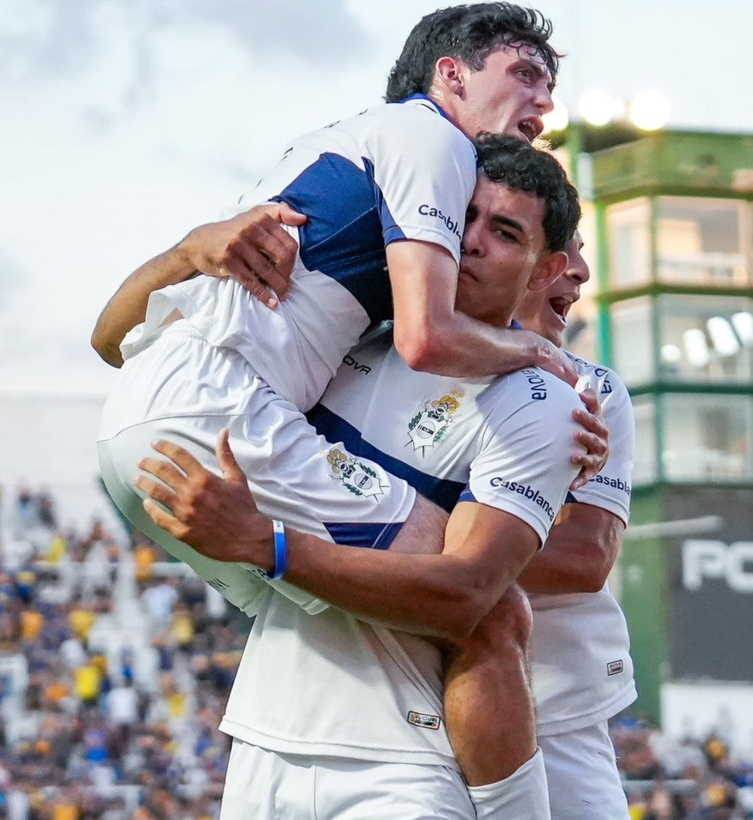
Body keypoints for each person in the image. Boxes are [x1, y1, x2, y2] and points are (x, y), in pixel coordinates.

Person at [107, 136, 583, 819]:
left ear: (547, 269)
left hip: (397, 766)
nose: (470, 242)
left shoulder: (538, 404)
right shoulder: (348, 339)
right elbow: (118, 345)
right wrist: (190, 250)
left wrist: (265, 543)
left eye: (504, 232)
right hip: (264, 748)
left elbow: (470, 597)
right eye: (462, 217)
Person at [95, 2, 601, 619]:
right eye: (524, 74)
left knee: (346, 619)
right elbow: (427, 339)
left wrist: (184, 252)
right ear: (452, 74)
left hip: (140, 420)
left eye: (550, 87)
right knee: (467, 594)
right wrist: (547, 359)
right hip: (221, 419)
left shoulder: (347, 146)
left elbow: (108, 341)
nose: (544, 102)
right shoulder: (433, 139)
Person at [513, 234, 638, 818]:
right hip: (407, 709)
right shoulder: (392, 359)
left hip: (557, 710)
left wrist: (411, 548)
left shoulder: (595, 388)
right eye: (560, 249)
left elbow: (586, 559)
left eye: (584, 248)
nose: (582, 271)